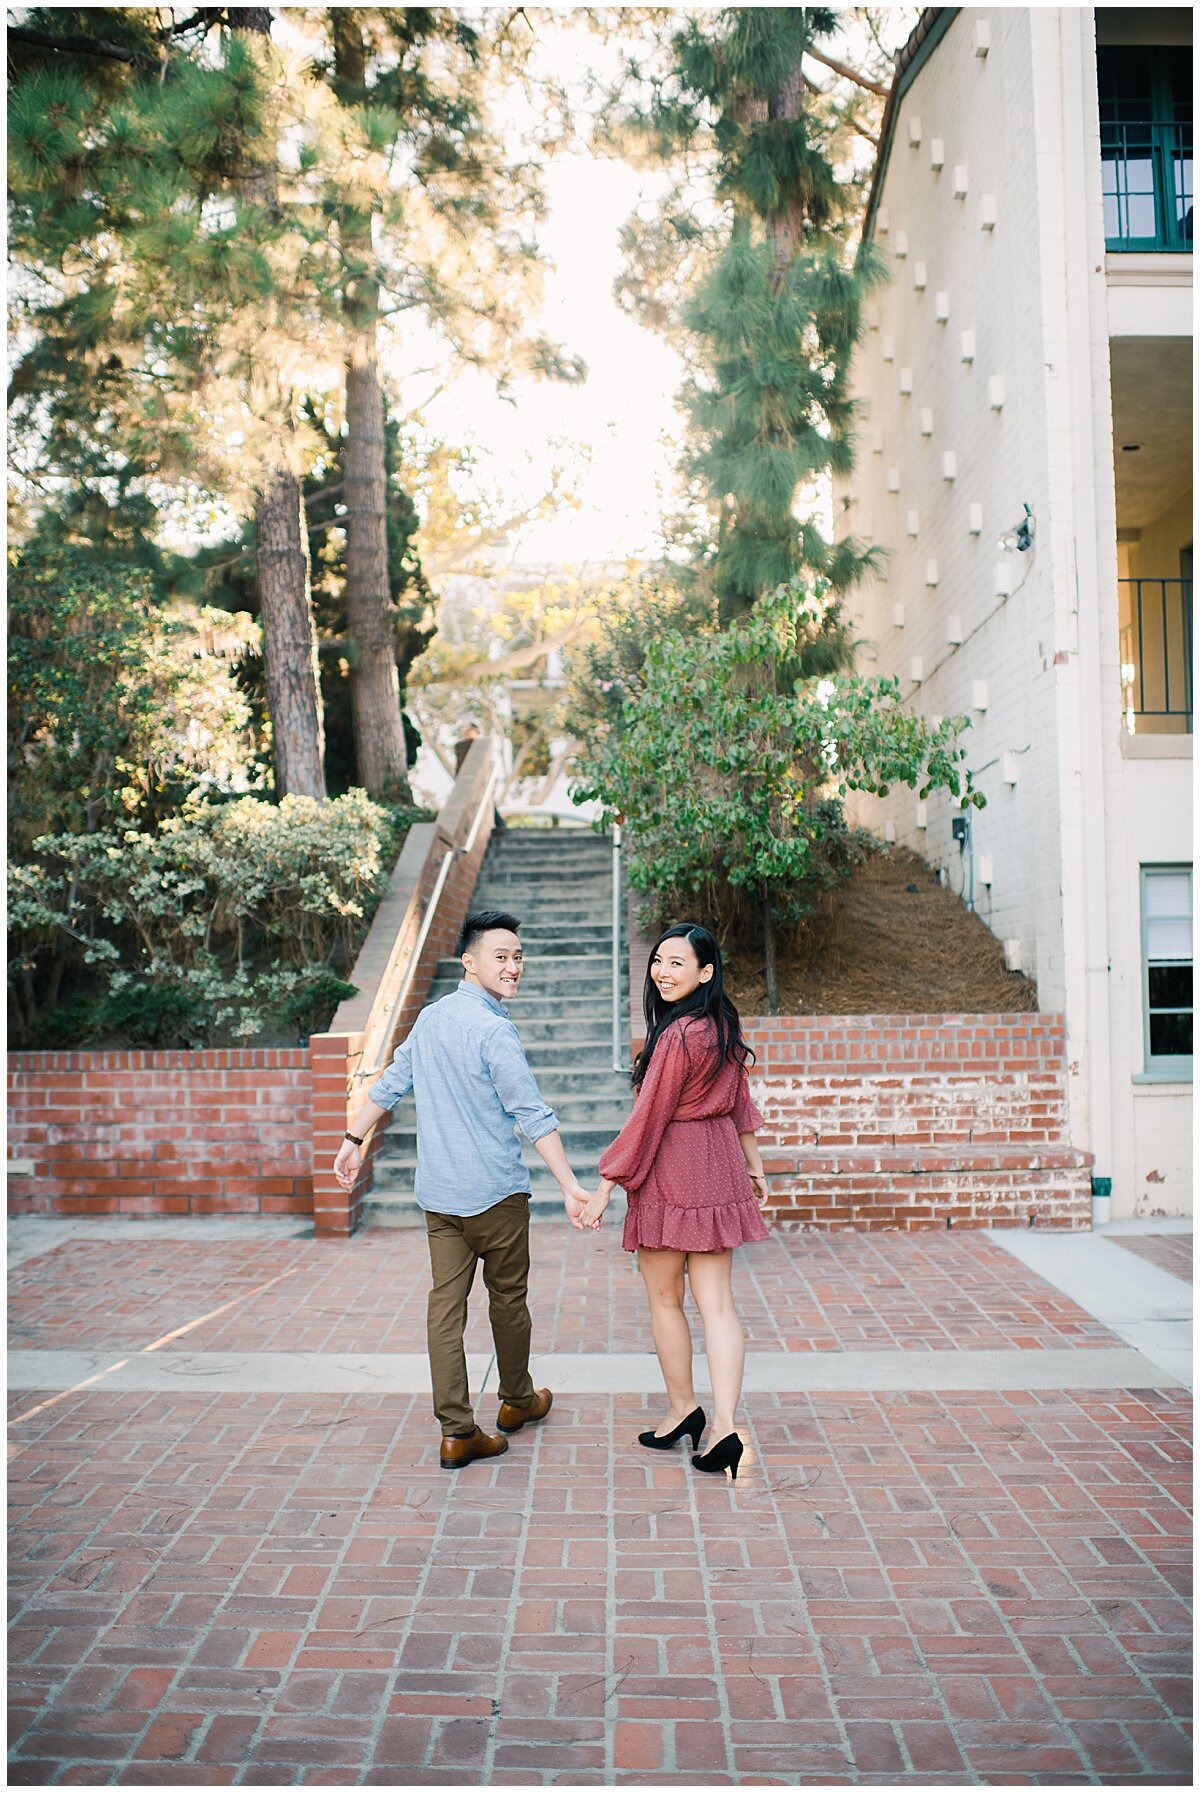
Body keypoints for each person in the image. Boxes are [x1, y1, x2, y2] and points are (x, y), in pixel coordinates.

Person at [335, 910, 592, 1471]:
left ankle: (456, 1431)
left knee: (444, 1310)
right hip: (496, 1197)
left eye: (518, 956)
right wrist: (571, 1186)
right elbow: (532, 1113)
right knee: (508, 1303)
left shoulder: (430, 1019)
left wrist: (354, 1137)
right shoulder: (493, 1030)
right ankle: (517, 1402)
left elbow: (392, 1083)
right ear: (469, 962)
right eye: (501, 955)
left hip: (441, 1199)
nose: (513, 966)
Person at [577, 923, 770, 1480]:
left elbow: (649, 1117)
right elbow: (740, 1102)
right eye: (659, 960)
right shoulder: (722, 1024)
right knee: (719, 1306)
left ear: (705, 972)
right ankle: (724, 1425)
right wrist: (754, 1164)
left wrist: (607, 1184)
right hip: (718, 1168)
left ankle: (686, 1407)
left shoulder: (679, 1035)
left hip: (671, 1169)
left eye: (676, 963)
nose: (662, 971)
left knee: (666, 1301)